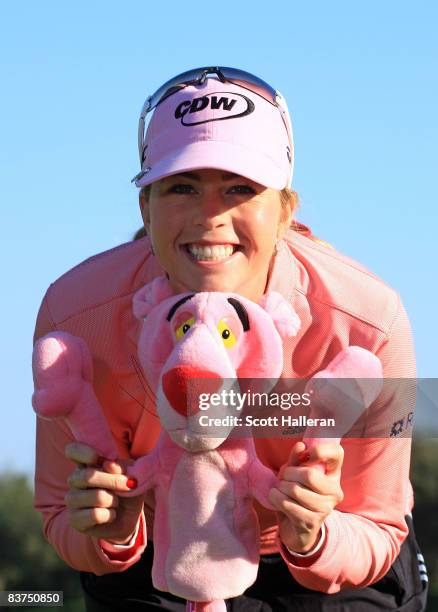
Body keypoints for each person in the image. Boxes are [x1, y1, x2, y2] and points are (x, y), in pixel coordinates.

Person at [33, 67, 429, 611]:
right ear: (144, 209)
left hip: (330, 559)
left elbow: (378, 529)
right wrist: (110, 535)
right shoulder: (76, 315)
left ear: (286, 211)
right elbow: (61, 516)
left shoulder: (366, 322)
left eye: (241, 188)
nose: (210, 216)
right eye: (182, 187)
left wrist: (312, 535)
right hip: (168, 553)